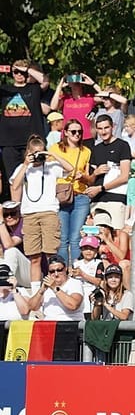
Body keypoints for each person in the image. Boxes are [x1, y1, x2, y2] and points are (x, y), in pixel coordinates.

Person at [11, 134, 71, 274]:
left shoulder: (51, 166)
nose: (38, 156)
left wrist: (52, 155)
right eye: (35, 153)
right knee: (34, 257)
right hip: (29, 214)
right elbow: (14, 186)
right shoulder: (23, 168)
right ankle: (36, 290)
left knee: (51, 255)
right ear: (28, 152)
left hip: (49, 213)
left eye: (41, 152)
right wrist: (26, 164)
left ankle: (54, 286)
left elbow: (70, 169)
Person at [1, 61, 49, 202]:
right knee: (13, 179)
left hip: (31, 142)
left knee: (35, 174)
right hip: (8, 142)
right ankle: (17, 210)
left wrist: (26, 69)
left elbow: (45, 81)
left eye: (22, 72)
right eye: (16, 72)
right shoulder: (5, 90)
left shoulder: (33, 89)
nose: (19, 75)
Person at [49, 118, 91, 263]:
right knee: (62, 238)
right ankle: (62, 272)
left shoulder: (86, 151)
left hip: (80, 195)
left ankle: (77, 271)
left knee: (75, 238)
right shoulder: (55, 149)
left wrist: (83, 177)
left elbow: (89, 179)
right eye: (73, 131)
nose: (77, 134)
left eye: (79, 131)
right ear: (65, 132)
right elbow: (49, 172)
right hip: (62, 195)